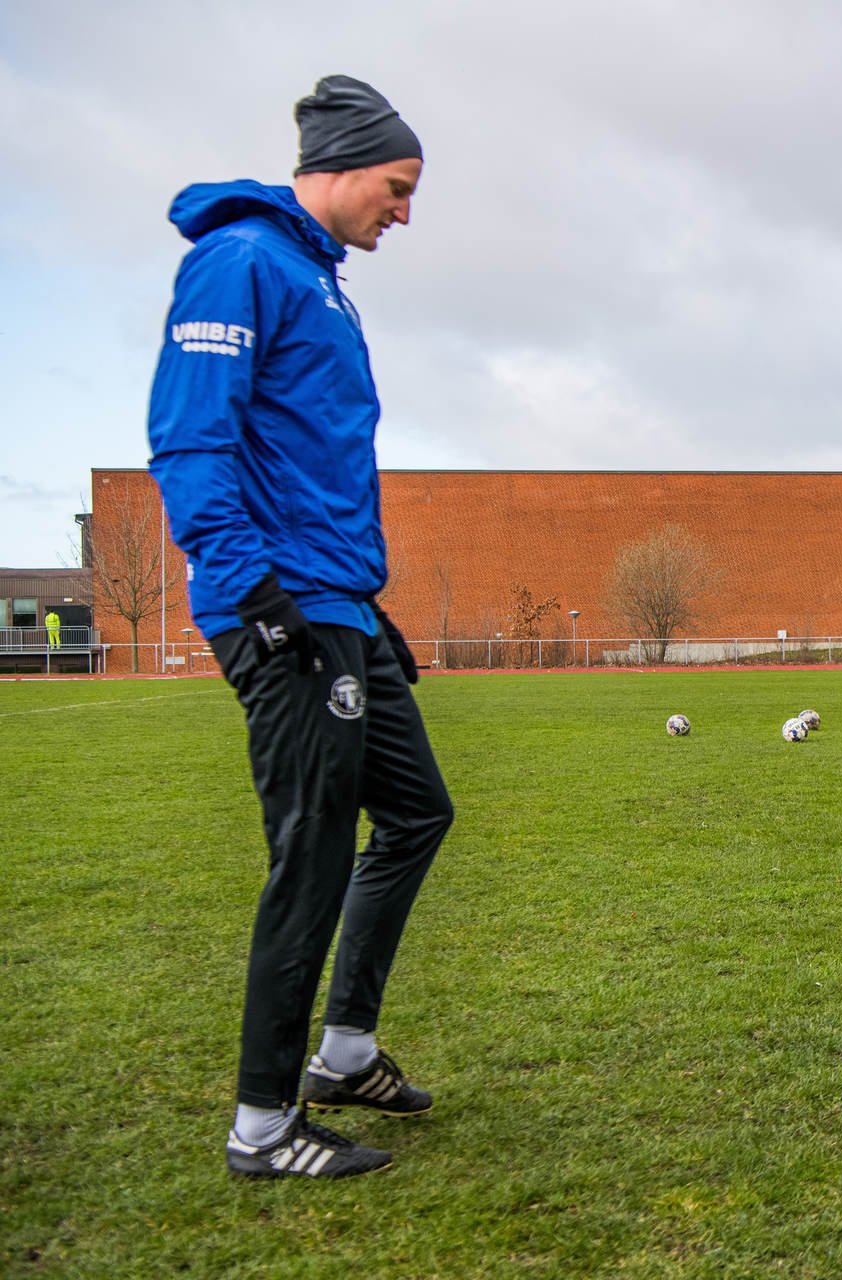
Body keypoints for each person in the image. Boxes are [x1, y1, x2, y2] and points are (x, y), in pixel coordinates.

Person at [148, 75, 454, 1180]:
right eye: (397, 186)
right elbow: (191, 439)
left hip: (337, 606)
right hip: (280, 610)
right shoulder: (239, 259)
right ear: (344, 163)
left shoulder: (323, 282)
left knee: (417, 811)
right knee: (312, 850)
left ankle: (346, 1050)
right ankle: (262, 1124)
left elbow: (308, 460)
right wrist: (258, 595)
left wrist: (365, 610)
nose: (404, 211)